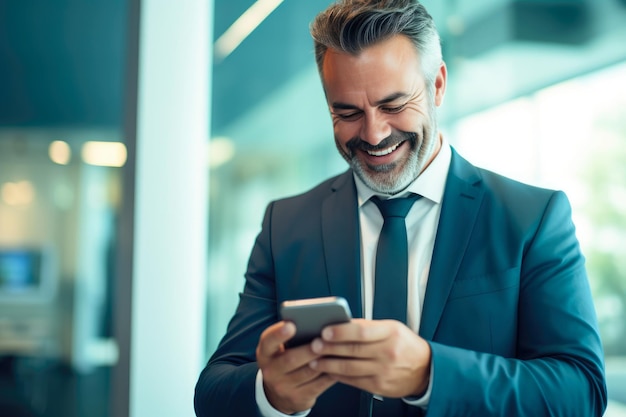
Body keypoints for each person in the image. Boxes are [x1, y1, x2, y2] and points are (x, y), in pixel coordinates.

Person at [194, 0, 607, 416]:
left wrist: (430, 374)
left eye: (393, 105)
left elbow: (581, 393)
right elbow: (212, 392)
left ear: (438, 85)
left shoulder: (533, 218)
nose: (374, 134)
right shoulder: (285, 224)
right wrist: (272, 393)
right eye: (348, 112)